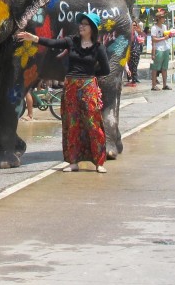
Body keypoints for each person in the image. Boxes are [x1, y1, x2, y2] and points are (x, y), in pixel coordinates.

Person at [17, 12, 110, 173]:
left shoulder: (98, 48)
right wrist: (35, 39)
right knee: (71, 123)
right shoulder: (71, 41)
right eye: (80, 23)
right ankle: (73, 161)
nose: (81, 26)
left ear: (92, 29)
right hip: (71, 86)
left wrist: (90, 77)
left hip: (88, 86)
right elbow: (53, 43)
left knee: (92, 123)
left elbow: (105, 70)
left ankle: (99, 162)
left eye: (85, 24)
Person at [149, 14, 172, 91]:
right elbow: (154, 39)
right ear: (158, 18)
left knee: (164, 68)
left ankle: (164, 85)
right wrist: (153, 53)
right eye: (162, 17)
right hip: (158, 48)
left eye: (164, 17)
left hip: (165, 48)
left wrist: (170, 35)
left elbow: (166, 35)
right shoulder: (154, 28)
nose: (164, 19)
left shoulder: (164, 27)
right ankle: (153, 85)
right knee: (155, 68)